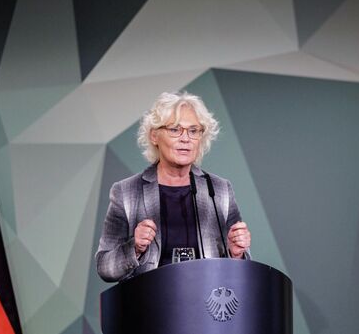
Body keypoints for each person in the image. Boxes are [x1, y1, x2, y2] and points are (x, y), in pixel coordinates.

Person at [96, 91, 251, 282]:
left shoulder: (219, 190)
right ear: (154, 136)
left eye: (193, 131)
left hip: (206, 307)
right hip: (148, 307)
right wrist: (134, 247)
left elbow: (239, 273)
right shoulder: (126, 192)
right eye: (175, 130)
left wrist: (236, 255)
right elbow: (104, 267)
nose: (185, 138)